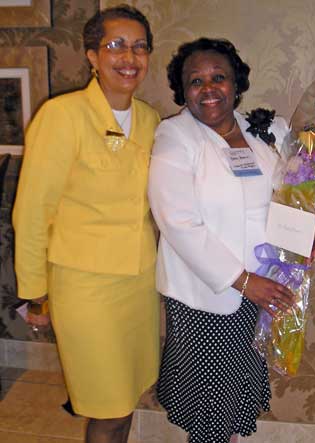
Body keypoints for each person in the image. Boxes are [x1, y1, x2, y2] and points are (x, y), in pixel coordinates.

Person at [148, 37, 315, 443]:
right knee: (209, 411)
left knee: (233, 399)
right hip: (207, 297)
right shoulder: (176, 137)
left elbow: (305, 192)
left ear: (236, 83)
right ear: (183, 91)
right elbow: (178, 222)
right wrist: (243, 281)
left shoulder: (268, 132)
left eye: (218, 77)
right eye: (195, 81)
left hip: (267, 287)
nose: (208, 88)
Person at [13, 5, 160, 443]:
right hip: (86, 288)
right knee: (106, 407)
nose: (128, 57)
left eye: (139, 46)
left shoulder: (151, 119)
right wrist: (35, 292)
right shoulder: (62, 116)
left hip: (139, 284)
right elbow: (32, 210)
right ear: (92, 55)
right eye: (115, 45)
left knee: (126, 397)